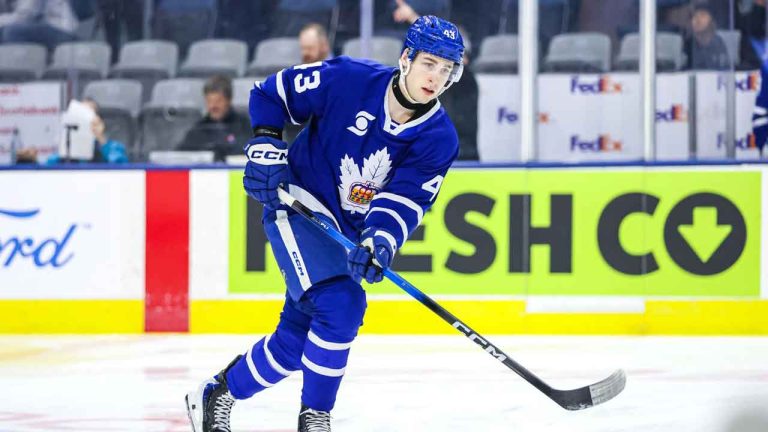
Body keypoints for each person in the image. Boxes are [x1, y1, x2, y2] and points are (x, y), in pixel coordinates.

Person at [185, 15, 465, 432]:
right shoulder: (349, 79)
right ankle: (315, 418)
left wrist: (380, 241)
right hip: (298, 206)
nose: (436, 77)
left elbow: (405, 199)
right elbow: (271, 94)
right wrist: (265, 142)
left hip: (345, 234)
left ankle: (217, 393)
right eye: (429, 64)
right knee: (343, 305)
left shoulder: (439, 137)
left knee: (294, 344)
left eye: (446, 70)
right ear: (406, 58)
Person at [177, 75, 252, 162]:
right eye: (209, 101)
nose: (213, 106)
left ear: (229, 100)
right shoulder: (199, 128)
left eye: (218, 101)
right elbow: (181, 155)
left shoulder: (243, 125)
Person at [47, 98, 129, 164]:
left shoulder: (113, 147)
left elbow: (121, 167)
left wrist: (101, 139)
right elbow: (50, 167)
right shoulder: (65, 148)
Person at [0, 0, 78, 50]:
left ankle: (22, 72)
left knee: (11, 32)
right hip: (40, 27)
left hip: (60, 29)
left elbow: (25, 15)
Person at [687, 3, 731, 70]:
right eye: (694, 16)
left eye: (702, 15)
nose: (697, 20)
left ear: (712, 21)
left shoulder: (719, 43)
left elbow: (724, 68)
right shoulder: (688, 44)